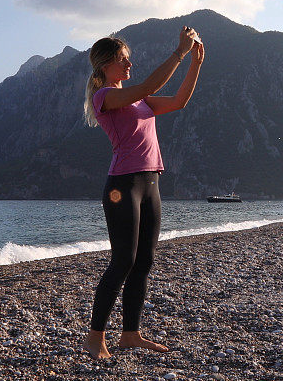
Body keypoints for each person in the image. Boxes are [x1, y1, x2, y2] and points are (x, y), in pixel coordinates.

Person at [82, 26, 204, 359]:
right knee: (122, 261)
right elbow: (148, 85)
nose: (128, 65)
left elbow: (178, 102)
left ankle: (131, 334)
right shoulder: (105, 97)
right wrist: (179, 52)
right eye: (123, 60)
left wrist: (195, 63)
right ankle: (95, 338)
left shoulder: (138, 99)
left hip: (151, 184)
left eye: (128, 60)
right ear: (107, 64)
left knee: (143, 261)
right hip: (123, 186)